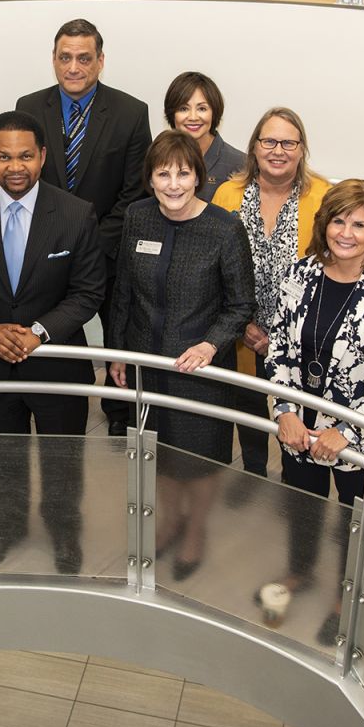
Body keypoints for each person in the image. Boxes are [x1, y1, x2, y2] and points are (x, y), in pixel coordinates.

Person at [0, 111, 106, 575]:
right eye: (5, 156)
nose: (17, 166)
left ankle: (63, 531)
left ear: (43, 156)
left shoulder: (75, 214)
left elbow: (88, 291)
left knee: (62, 459)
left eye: (27, 156)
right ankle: (9, 525)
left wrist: (38, 333)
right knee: (4, 453)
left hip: (56, 363)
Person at [262, 180, 364, 642]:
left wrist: (347, 430)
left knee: (357, 518)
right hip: (300, 426)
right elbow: (281, 352)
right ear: (323, 224)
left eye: (358, 223)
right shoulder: (300, 273)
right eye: (338, 220)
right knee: (303, 508)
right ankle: (300, 573)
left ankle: (343, 593)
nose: (346, 232)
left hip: (361, 434)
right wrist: (285, 411)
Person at [107, 131, 255, 580]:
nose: (173, 184)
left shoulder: (224, 228)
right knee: (159, 450)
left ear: (199, 177)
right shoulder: (138, 218)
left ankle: (196, 530)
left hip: (199, 369)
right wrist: (117, 352)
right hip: (145, 362)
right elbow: (124, 291)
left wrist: (211, 344)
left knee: (199, 455)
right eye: (163, 173)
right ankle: (171, 519)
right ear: (150, 178)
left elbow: (240, 305)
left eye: (183, 173)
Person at [16, 18, 151, 437]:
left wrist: (90, 244)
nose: (74, 67)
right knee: (55, 327)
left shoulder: (131, 112)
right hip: (46, 250)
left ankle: (117, 409)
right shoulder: (29, 107)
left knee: (117, 330)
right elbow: (25, 181)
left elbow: (135, 193)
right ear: (54, 60)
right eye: (65, 58)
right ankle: (59, 397)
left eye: (84, 58)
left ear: (100, 61)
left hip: (109, 250)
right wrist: (56, 243)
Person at [212, 108, 331, 476]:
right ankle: (254, 474)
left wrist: (279, 336)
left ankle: (298, 482)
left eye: (288, 142)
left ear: (301, 149)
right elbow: (212, 266)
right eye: (269, 141)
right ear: (255, 147)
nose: (278, 150)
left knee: (296, 412)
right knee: (248, 407)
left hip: (300, 335)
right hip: (241, 330)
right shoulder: (228, 194)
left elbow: (333, 269)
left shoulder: (323, 196)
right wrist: (244, 325)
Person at [163, 71, 245, 202]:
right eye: (184, 109)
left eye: (202, 109)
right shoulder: (159, 158)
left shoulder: (239, 164)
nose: (193, 117)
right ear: (172, 113)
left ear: (214, 112)